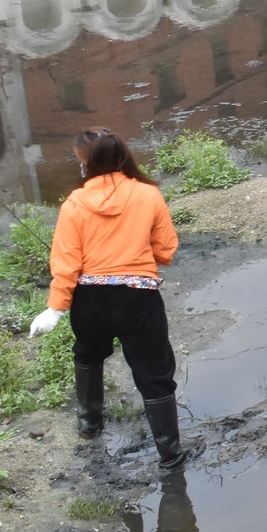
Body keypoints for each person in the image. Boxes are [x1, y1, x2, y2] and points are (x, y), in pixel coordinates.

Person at [29, 128, 196, 467]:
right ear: (122, 156)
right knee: (154, 372)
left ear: (84, 162)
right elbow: (165, 250)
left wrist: (55, 309)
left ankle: (89, 425)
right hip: (138, 299)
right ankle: (170, 454)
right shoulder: (148, 194)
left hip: (89, 301)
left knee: (88, 355)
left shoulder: (74, 203)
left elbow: (66, 263)